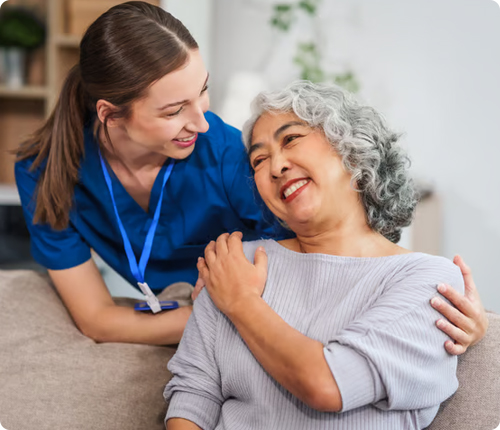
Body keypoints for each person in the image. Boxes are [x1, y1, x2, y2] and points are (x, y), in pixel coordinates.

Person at [15, 2, 486, 349]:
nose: (200, 122)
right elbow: (96, 320)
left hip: (236, 317)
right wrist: (214, 314)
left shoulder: (225, 153)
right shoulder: (45, 172)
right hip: (212, 316)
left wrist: (441, 314)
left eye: (202, 93)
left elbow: (335, 262)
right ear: (111, 115)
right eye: (175, 110)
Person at [164, 81, 479, 429]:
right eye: (259, 159)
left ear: (352, 150)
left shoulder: (425, 278)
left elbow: (328, 385)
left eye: (291, 139)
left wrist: (240, 301)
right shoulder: (235, 262)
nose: (276, 166)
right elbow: (194, 396)